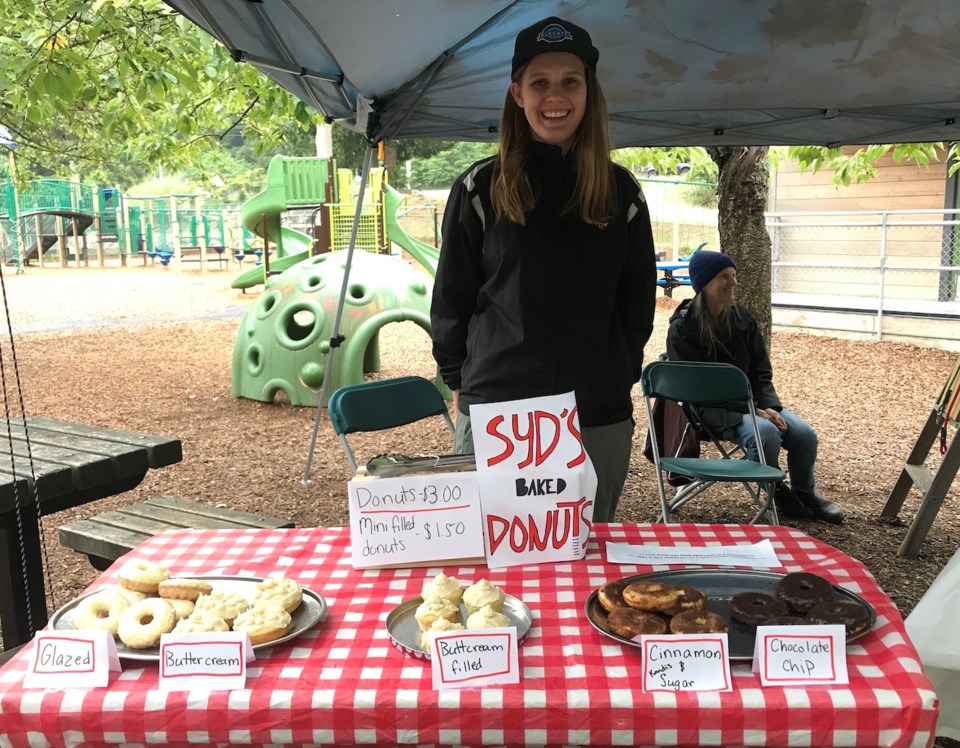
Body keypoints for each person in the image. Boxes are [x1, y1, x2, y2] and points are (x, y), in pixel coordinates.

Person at [430, 16, 657, 522]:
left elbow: (636, 300)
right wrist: (457, 378)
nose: (555, 96)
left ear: (589, 91)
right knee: (490, 558)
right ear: (517, 93)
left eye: (569, 81)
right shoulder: (479, 188)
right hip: (499, 411)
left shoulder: (623, 193)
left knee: (585, 554)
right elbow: (452, 295)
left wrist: (619, 372)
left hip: (595, 412)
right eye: (539, 83)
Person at [665, 250, 844, 524]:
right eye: (723, 277)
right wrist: (755, 412)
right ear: (703, 283)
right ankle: (774, 489)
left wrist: (769, 405)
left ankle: (805, 492)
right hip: (707, 410)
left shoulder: (741, 316)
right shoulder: (683, 328)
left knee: (804, 435)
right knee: (766, 434)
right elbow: (695, 389)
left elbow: (761, 370)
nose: (733, 282)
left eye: (734, 276)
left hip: (753, 404)